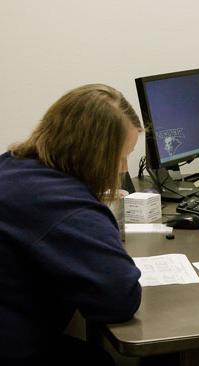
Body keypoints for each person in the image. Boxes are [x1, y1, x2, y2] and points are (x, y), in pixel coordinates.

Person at [0, 84, 143, 365]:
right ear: (92, 153)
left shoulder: (13, 165)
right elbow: (119, 298)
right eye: (120, 157)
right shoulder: (61, 204)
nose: (123, 170)